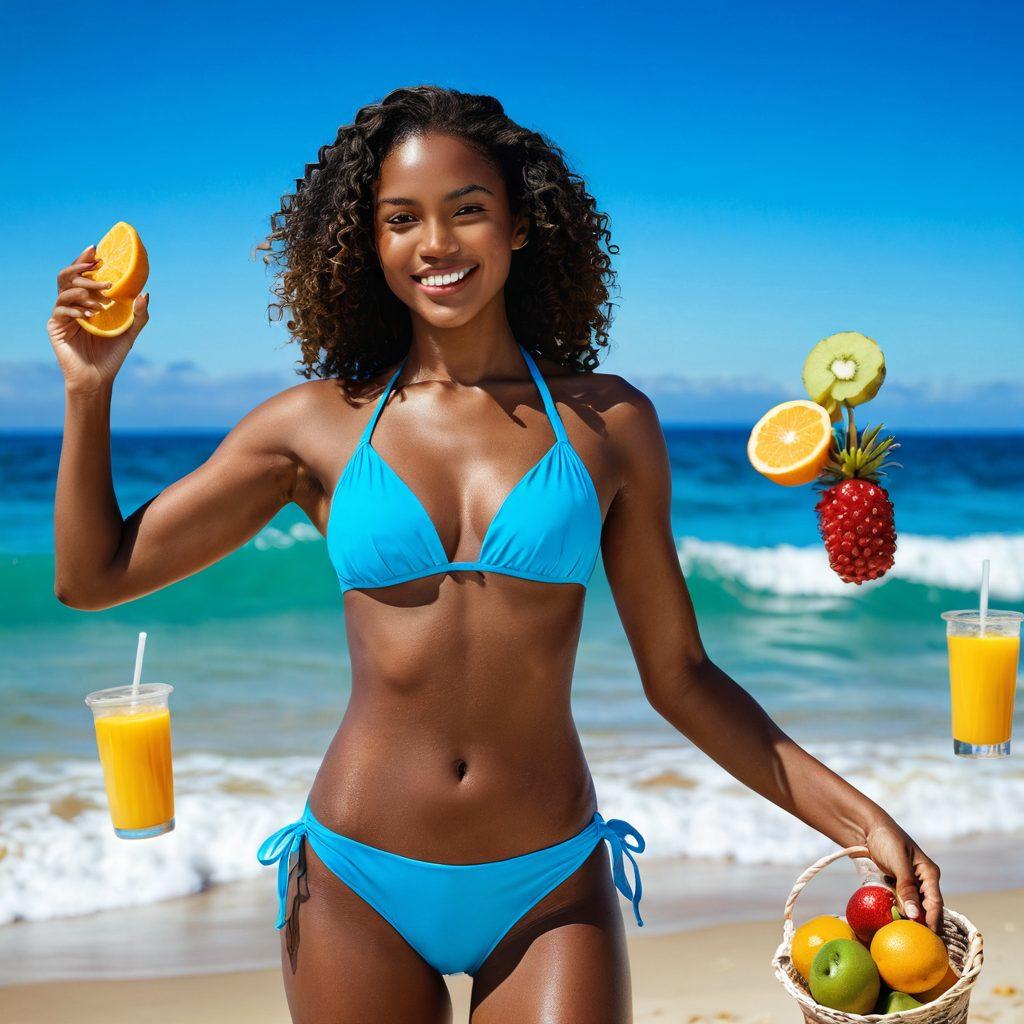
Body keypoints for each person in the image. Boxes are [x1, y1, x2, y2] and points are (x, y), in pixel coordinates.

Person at [49, 85, 944, 1024]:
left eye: (466, 209)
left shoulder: (610, 423)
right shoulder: (314, 426)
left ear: (519, 225)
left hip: (548, 884)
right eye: (402, 219)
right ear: (370, 242)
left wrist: (863, 823)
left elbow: (680, 676)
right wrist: (88, 389)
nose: (435, 243)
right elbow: (91, 576)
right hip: (356, 875)